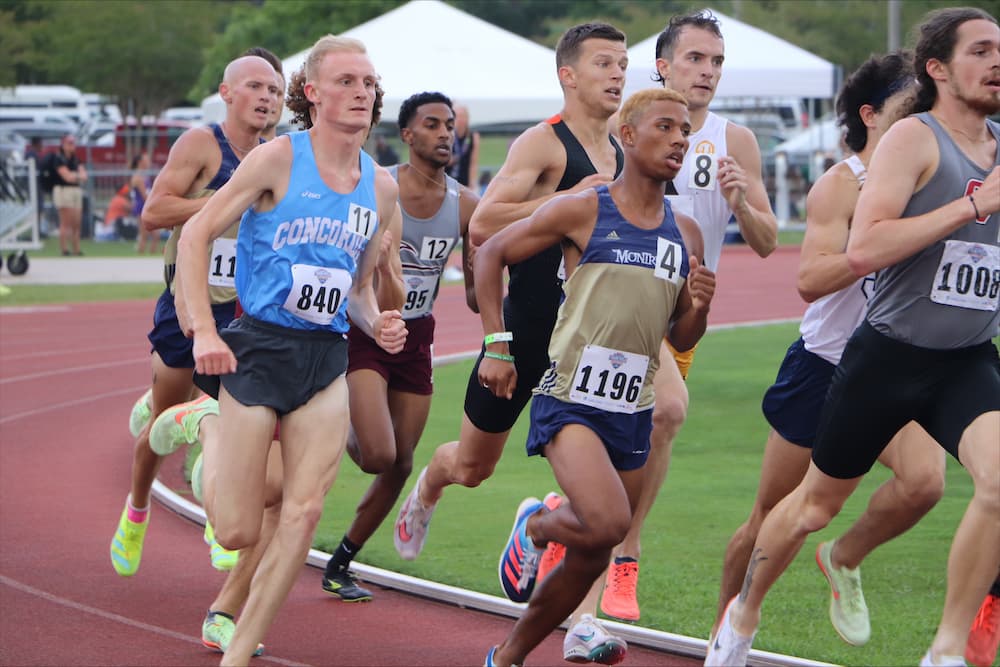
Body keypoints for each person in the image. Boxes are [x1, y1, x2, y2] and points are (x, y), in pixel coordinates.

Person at [707, 9, 1000, 667]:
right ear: (938, 68)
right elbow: (863, 249)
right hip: (882, 355)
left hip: (965, 358)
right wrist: (975, 203)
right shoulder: (911, 142)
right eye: (980, 50)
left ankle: (946, 649)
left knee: (990, 482)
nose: (997, 61)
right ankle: (740, 617)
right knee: (809, 503)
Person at [393, 22, 631, 661]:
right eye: (604, 63)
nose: (617, 74)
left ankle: (582, 622)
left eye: (624, 63)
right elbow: (485, 222)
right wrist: (564, 200)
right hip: (524, 334)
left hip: (588, 350)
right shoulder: (544, 143)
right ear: (569, 75)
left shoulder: (628, 154)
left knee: (605, 491)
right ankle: (429, 487)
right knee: (472, 466)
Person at [176, 35, 406, 665]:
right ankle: (207, 426)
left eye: (369, 82)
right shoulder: (278, 159)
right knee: (237, 529)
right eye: (347, 81)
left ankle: (238, 651)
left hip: (324, 357)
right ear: (314, 93)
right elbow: (196, 235)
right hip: (258, 348)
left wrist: (378, 322)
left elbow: (357, 288)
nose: (362, 92)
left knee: (302, 515)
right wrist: (203, 331)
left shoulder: (381, 188)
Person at [481, 86, 715, 667]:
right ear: (628, 137)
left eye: (685, 131)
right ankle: (537, 526)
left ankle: (505, 656)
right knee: (607, 521)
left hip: (632, 406)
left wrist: (701, 307)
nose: (679, 140)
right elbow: (488, 253)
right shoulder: (586, 208)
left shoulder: (686, 233)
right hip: (570, 399)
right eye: (665, 127)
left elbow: (680, 339)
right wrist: (496, 345)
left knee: (594, 548)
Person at [595, 9, 780, 625]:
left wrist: (738, 203)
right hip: (615, 307)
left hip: (681, 316)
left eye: (717, 61)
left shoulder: (736, 142)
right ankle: (626, 557)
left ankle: (552, 521)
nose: (708, 72)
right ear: (663, 65)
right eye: (696, 59)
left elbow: (765, 240)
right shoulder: (623, 127)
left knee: (631, 442)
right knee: (668, 412)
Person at [110, 54, 280, 585]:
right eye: (255, 86)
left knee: (233, 426)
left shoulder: (282, 156)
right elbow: (155, 211)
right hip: (187, 302)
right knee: (163, 426)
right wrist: (227, 201)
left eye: (275, 90)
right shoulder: (203, 144)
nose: (267, 97)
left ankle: (218, 519)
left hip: (243, 311)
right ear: (227, 94)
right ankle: (137, 509)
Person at [320, 91, 479, 602]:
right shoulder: (375, 186)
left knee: (402, 464)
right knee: (375, 454)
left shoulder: (464, 205)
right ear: (408, 135)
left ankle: (341, 562)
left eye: (449, 125)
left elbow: (478, 294)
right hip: (364, 326)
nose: (444, 133)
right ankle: (334, 415)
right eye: (431, 124)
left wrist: (482, 264)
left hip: (417, 334)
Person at [52, 133, 88, 256]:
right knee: (65, 222)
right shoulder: (59, 159)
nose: (72, 146)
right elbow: (66, 177)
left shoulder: (76, 159)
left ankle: (76, 249)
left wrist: (75, 176)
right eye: (69, 143)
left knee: (76, 222)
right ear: (63, 145)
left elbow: (84, 176)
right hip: (64, 191)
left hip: (76, 191)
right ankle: (64, 249)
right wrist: (76, 176)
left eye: (73, 143)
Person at [447, 103, 479, 190]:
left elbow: (473, 163)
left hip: (464, 183)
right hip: (447, 181)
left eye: (463, 116)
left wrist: (472, 184)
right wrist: (450, 160)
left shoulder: (473, 137)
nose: (460, 119)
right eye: (458, 116)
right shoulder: (448, 135)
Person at [131, 152, 158, 253]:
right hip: (141, 207)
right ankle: (140, 254)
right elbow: (144, 195)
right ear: (140, 162)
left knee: (155, 236)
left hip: (147, 205)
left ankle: (150, 254)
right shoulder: (137, 177)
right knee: (144, 234)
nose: (149, 162)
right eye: (146, 160)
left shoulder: (144, 175)